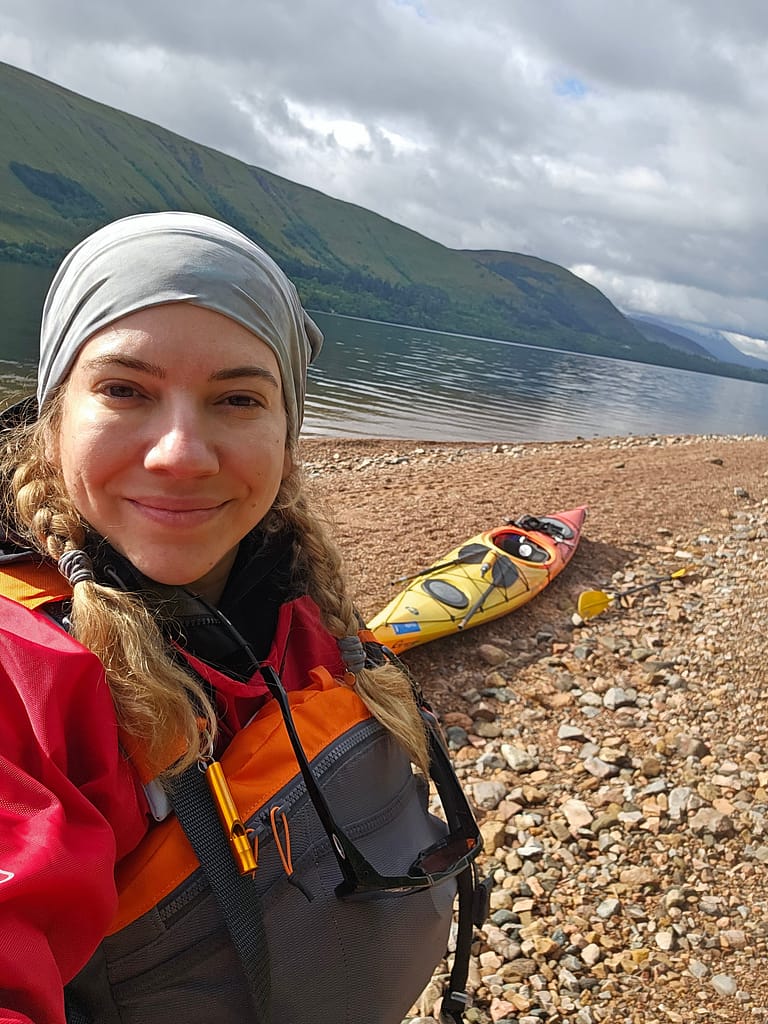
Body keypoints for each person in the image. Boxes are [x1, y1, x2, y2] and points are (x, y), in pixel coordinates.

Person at [0, 213, 484, 1024]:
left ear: (288, 439)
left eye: (237, 398)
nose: (181, 454)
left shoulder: (296, 607)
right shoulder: (24, 678)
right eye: (124, 389)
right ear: (54, 421)